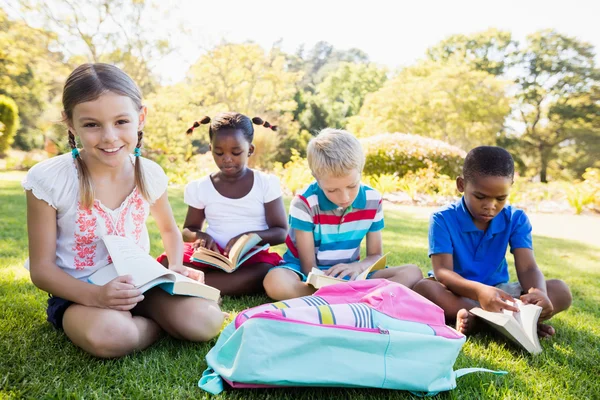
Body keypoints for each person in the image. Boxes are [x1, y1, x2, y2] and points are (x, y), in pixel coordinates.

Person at [23, 63, 224, 358]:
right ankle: (154, 325)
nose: (109, 137)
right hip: (81, 294)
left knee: (206, 321)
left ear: (140, 118)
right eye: (91, 124)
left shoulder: (149, 174)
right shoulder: (49, 179)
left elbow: (168, 229)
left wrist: (177, 266)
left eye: (121, 121)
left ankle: (154, 318)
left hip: (141, 282)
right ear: (70, 123)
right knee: (111, 335)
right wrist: (98, 296)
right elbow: (42, 271)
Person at [413, 146, 572, 336]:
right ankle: (508, 323)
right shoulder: (443, 219)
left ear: (510, 186)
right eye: (480, 197)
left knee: (560, 291)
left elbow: (528, 268)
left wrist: (539, 293)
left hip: (499, 293)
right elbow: (443, 272)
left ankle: (483, 320)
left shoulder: (515, 218)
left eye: (501, 198)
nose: (490, 206)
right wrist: (480, 292)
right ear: (461, 185)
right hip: (456, 292)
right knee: (424, 288)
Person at [263, 128, 423, 300]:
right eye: (332, 190)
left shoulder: (372, 199)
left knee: (412, 272)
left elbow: (374, 255)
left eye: (352, 186)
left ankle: (336, 296)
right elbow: (308, 266)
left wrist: (358, 267)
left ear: (360, 170)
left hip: (350, 272)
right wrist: (327, 281)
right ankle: (359, 297)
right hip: (307, 275)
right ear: (317, 178)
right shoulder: (304, 203)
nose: (344, 197)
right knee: (275, 281)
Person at [158, 112, 287, 296]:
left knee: (266, 271)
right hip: (212, 256)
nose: (227, 158)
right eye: (219, 153)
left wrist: (248, 237)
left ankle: (194, 283)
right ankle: (208, 282)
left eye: (236, 152)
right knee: (168, 260)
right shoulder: (201, 187)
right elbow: (188, 230)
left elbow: (281, 232)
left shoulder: (265, 183)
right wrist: (201, 236)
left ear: (250, 150)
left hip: (251, 257)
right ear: (211, 149)